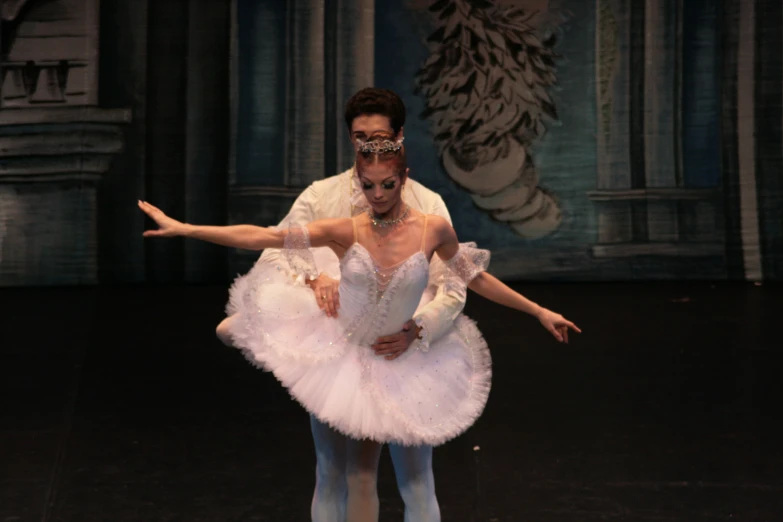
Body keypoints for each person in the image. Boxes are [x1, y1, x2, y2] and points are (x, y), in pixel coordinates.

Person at [138, 132, 580, 522]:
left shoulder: (433, 229)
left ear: (404, 176)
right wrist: (187, 229)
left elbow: (475, 278)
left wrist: (539, 310)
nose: (378, 194)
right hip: (344, 351)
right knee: (343, 471)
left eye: (388, 184)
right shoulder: (345, 229)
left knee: (416, 482)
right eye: (368, 186)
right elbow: (264, 236)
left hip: (405, 359)